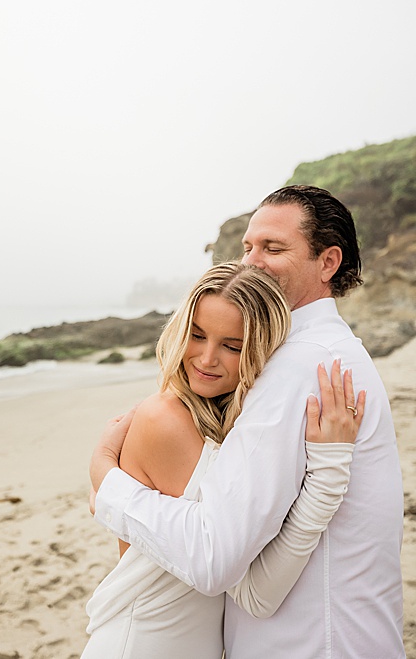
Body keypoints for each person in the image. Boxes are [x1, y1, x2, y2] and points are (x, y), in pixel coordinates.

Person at [89, 186, 403, 657]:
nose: (251, 261)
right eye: (248, 247)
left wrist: (106, 484)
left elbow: (216, 556)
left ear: (328, 262)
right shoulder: (318, 354)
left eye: (273, 248)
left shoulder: (300, 366)